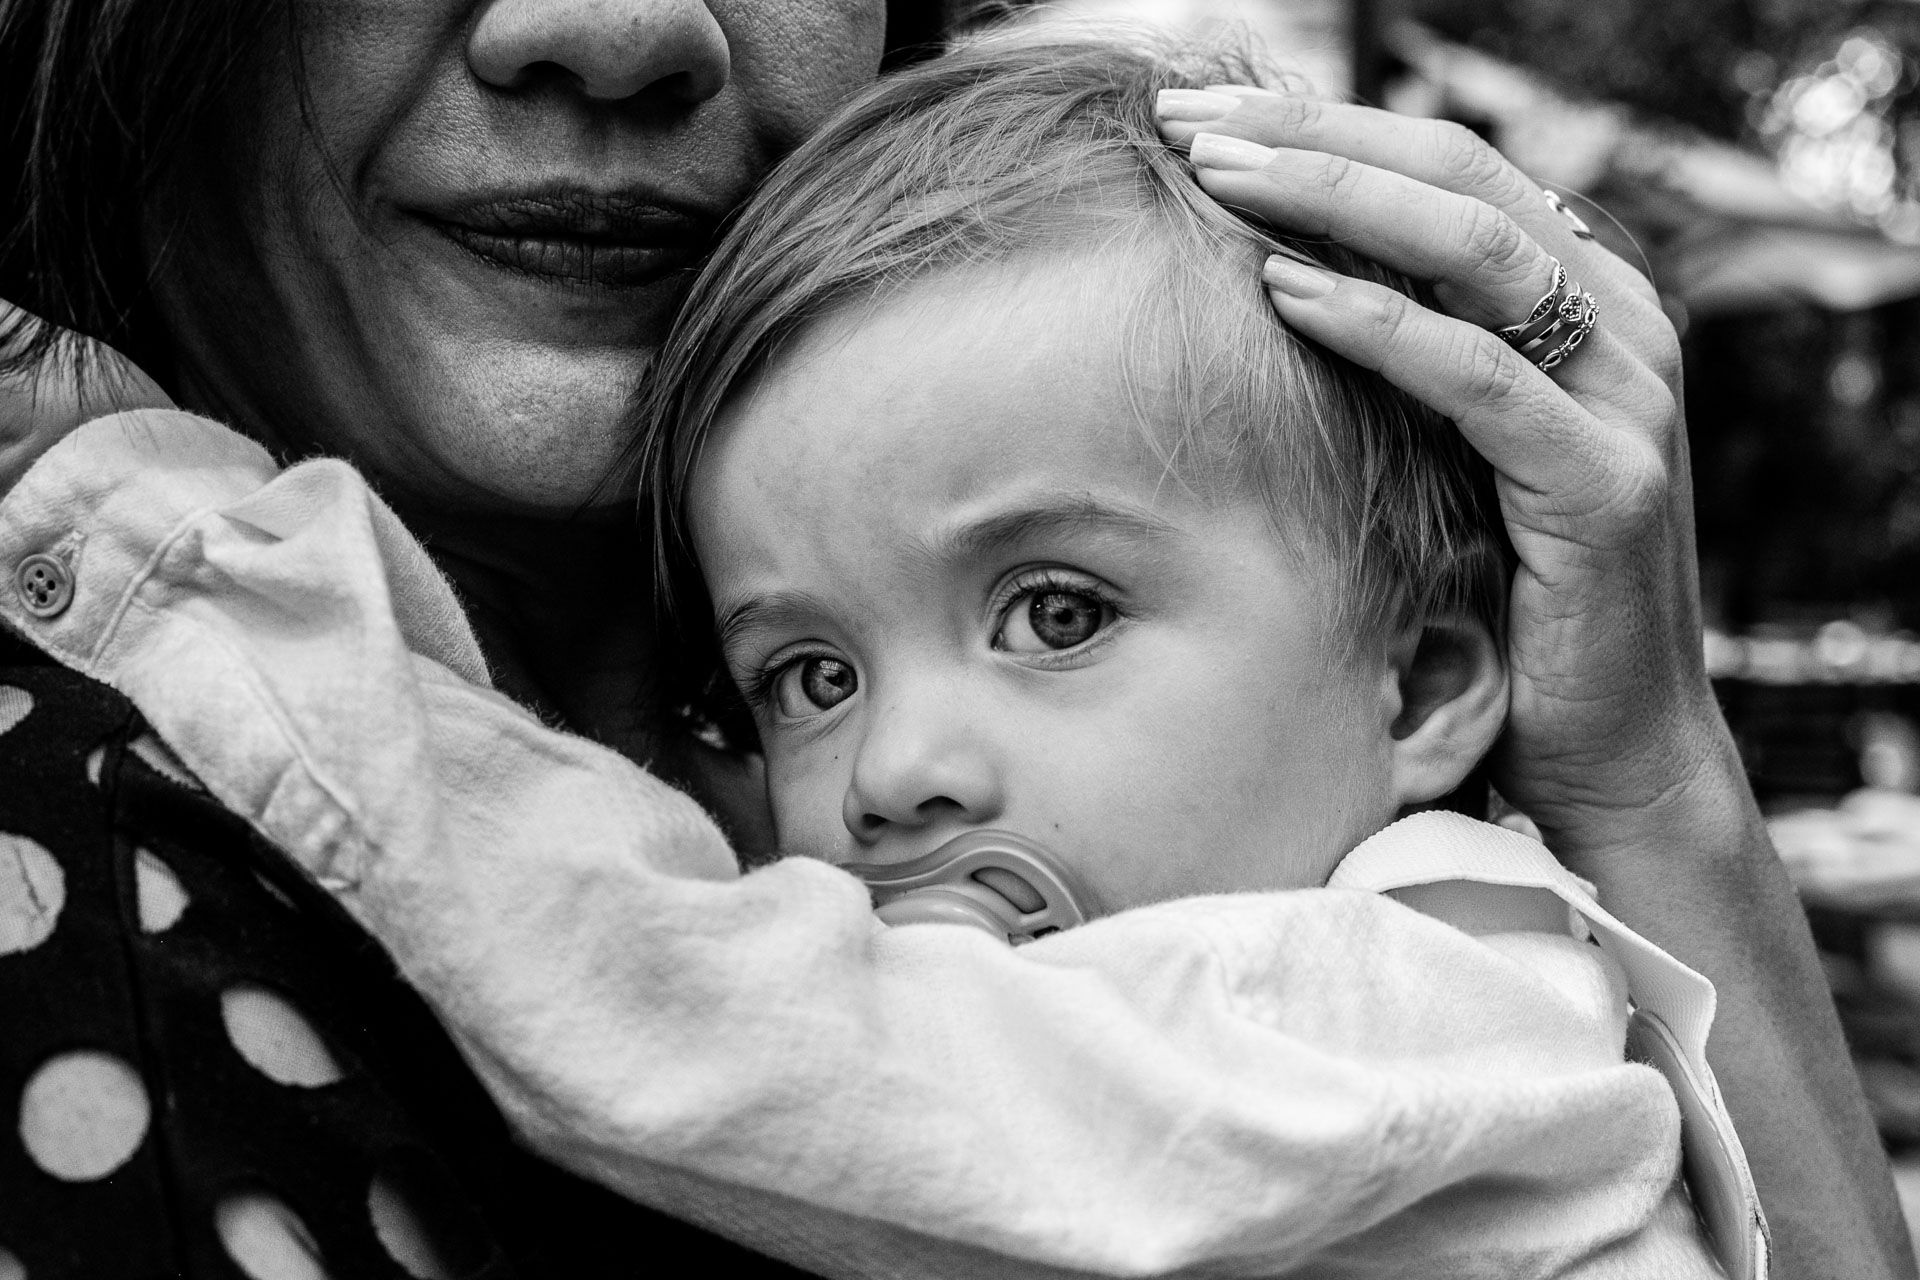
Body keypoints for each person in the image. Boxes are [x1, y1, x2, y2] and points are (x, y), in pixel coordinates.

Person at [0, 1, 1909, 1277]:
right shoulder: (72, 855)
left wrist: (179, 548)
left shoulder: (1356, 990)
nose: (894, 770)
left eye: (1059, 612)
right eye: (805, 677)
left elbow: (679, 1010)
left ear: (1419, 681)